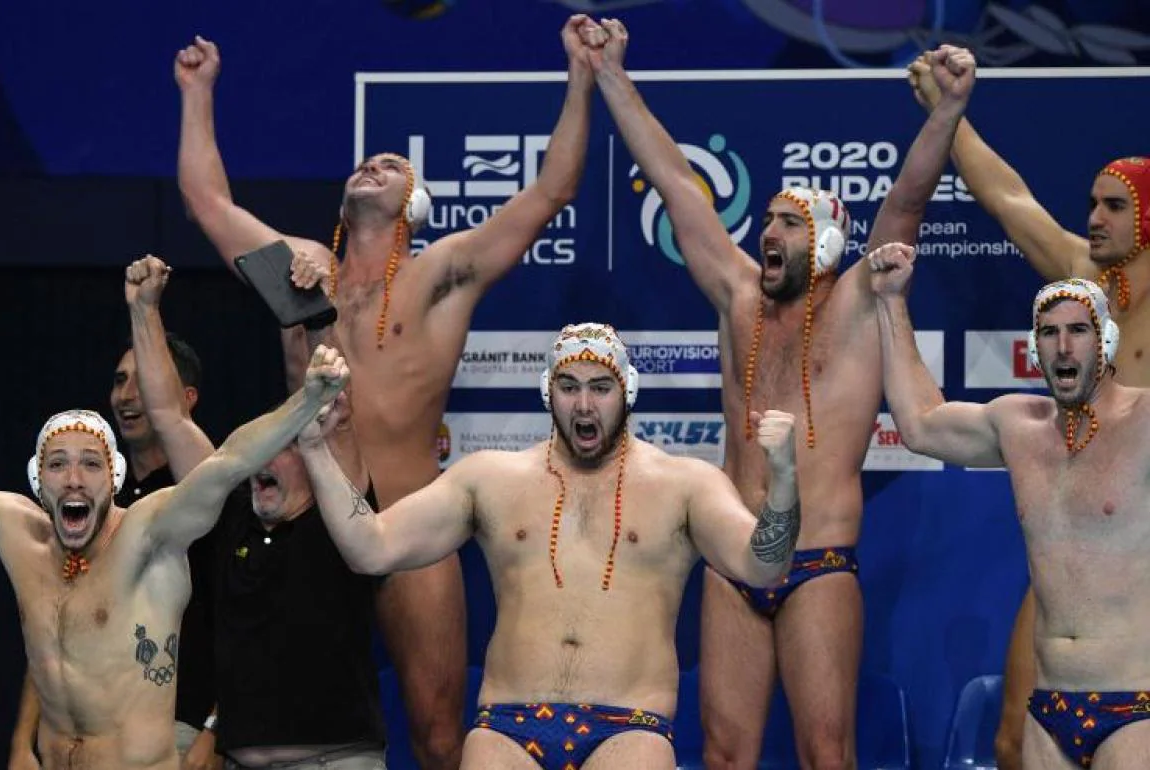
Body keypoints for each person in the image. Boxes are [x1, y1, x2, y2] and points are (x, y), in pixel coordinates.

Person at [172, 18, 600, 768]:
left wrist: (581, 74)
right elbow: (207, 202)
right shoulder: (303, 269)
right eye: (367, 160)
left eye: (393, 165)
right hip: (307, 528)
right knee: (279, 729)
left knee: (438, 734)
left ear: (415, 205)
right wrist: (197, 91)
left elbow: (553, 188)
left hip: (409, 524)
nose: (374, 163)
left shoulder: (442, 276)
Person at [586, 17, 976, 768]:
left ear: (827, 245)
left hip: (819, 560)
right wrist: (611, 76)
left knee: (825, 753)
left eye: (789, 224)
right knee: (726, 755)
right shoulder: (738, 298)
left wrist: (947, 112)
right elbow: (675, 180)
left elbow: (906, 204)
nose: (769, 231)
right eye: (766, 220)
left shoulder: (858, 301)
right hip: (736, 557)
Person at [295, 323, 802, 768]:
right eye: (569, 387)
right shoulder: (490, 479)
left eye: (601, 388)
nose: (584, 405)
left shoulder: (685, 485)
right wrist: (315, 450)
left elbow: (763, 567)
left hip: (629, 727)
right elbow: (371, 549)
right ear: (547, 390)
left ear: (628, 390)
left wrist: (782, 480)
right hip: (507, 729)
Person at [0, 343, 348, 769]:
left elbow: (229, 462)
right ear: (38, 481)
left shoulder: (148, 533)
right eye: (57, 465)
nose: (74, 479)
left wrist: (307, 401)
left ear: (113, 478)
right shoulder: (19, 534)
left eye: (91, 465)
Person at [909, 61, 1150, 769]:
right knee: (1014, 734)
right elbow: (1007, 198)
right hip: (1077, 546)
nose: (1092, 219)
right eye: (1092, 203)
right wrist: (950, 113)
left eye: (1113, 206)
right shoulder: (1083, 278)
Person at [869, 240, 1150, 768]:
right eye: (1050, 333)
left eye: (1079, 331)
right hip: (1048, 709)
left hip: (1137, 707)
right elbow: (918, 423)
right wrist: (890, 301)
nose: (1064, 346)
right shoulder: (1018, 426)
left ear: (1107, 341)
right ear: (1035, 346)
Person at [120, 256, 387, 769]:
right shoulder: (231, 515)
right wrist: (144, 311)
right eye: (257, 450)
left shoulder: (343, 519)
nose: (263, 459)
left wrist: (316, 316)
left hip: (337, 760)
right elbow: (170, 418)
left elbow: (341, 406)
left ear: (313, 456)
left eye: (282, 445)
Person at [10, 261, 222, 770]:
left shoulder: (203, 497)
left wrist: (217, 729)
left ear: (184, 398)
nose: (127, 394)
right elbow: (53, 619)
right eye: (120, 380)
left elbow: (253, 622)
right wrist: (23, 740)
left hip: (176, 734)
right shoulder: (88, 497)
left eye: (143, 380)